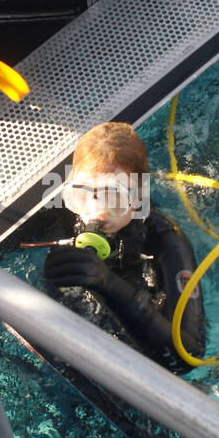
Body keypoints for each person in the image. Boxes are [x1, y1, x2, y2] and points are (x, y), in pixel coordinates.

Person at [34, 122, 205, 374]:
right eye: (82, 194)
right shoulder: (70, 217)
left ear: (138, 198)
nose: (96, 211)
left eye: (112, 196)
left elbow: (188, 356)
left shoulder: (167, 242)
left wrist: (110, 286)